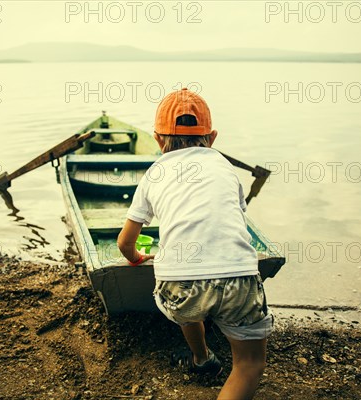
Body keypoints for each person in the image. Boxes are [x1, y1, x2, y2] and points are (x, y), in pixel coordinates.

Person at [117, 88, 273, 400]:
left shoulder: (153, 173)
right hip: (237, 279)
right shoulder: (226, 168)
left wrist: (135, 258)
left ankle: (202, 359)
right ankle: (217, 357)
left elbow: (124, 243)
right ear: (212, 138)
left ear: (159, 140)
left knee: (188, 306)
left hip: (178, 287)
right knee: (249, 364)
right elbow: (232, 221)